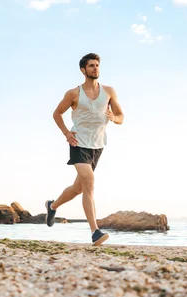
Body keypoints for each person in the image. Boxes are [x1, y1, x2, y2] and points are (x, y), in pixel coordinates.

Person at [45, 53, 124, 246]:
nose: (95, 68)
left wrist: (113, 118)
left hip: (97, 146)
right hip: (78, 143)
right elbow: (57, 113)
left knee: (79, 188)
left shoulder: (109, 91)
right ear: (83, 70)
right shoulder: (73, 93)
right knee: (89, 181)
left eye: (97, 65)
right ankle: (95, 232)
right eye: (91, 66)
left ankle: (53, 206)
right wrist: (66, 133)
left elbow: (121, 116)